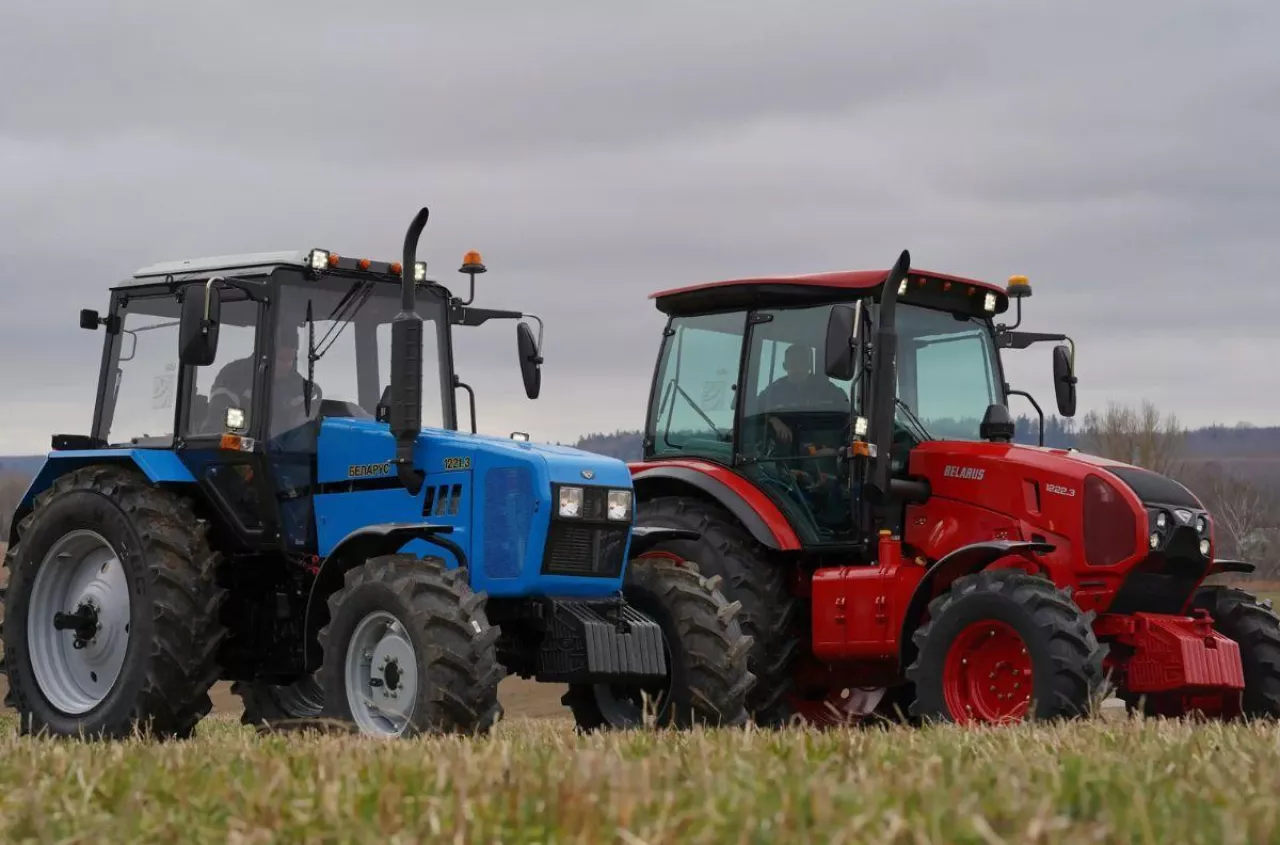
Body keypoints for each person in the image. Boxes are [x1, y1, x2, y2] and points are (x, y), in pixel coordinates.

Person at [757, 343, 849, 443]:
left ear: (809, 365)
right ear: (785, 366)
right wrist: (773, 420)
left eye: (801, 362)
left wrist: (833, 449)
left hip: (823, 452)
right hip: (784, 453)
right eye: (792, 364)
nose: (797, 368)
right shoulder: (774, 391)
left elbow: (850, 417)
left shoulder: (828, 390)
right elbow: (754, 409)